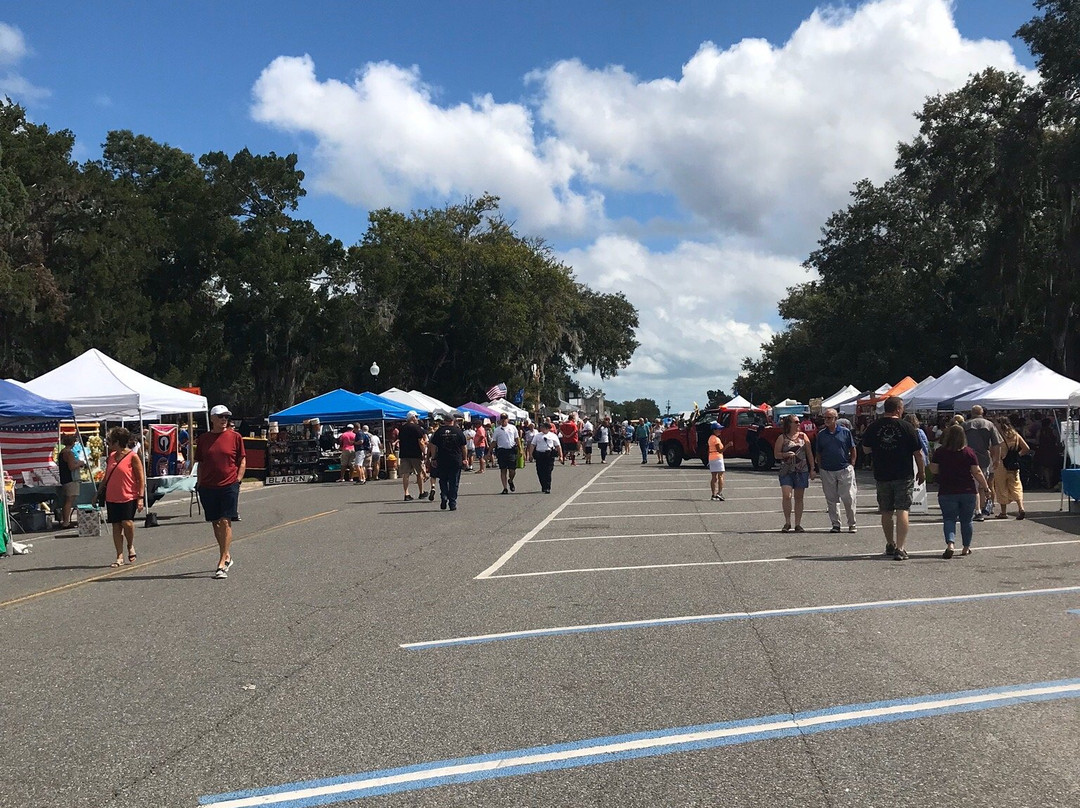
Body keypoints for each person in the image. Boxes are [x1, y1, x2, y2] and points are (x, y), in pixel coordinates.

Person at [861, 396, 924, 560]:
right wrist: (922, 472)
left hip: (882, 473)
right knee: (902, 509)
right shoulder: (907, 427)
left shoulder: (874, 426)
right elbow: (918, 453)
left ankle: (890, 543)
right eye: (902, 408)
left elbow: (866, 449)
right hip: (903, 473)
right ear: (898, 409)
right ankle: (901, 547)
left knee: (886, 511)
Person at [197, 405, 246, 579]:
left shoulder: (235, 437)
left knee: (225, 521)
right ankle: (226, 554)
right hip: (208, 486)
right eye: (220, 417)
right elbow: (201, 462)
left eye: (226, 417)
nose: (224, 420)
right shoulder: (203, 439)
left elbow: (242, 459)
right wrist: (199, 482)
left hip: (229, 485)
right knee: (216, 522)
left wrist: (238, 479)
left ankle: (222, 561)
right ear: (212, 418)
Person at [930, 424, 992, 558]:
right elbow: (977, 471)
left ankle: (950, 544)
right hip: (967, 490)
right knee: (967, 520)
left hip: (947, 490)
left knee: (949, 519)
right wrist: (986, 487)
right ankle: (966, 547)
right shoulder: (969, 452)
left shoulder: (940, 452)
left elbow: (934, 470)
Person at [98, 427, 145, 567]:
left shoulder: (132, 456)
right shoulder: (111, 457)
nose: (108, 444)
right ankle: (119, 555)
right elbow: (106, 477)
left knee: (127, 523)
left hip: (128, 495)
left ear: (117, 442)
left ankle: (130, 545)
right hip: (112, 496)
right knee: (116, 526)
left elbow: (140, 478)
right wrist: (98, 493)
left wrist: (140, 497)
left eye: (110, 441)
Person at [815, 408, 858, 533]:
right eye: (825, 418)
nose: (826, 420)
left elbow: (853, 448)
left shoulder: (845, 432)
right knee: (831, 499)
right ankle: (835, 524)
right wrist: (820, 467)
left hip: (844, 468)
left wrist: (852, 464)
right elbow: (818, 452)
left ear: (835, 419)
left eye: (829, 418)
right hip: (827, 470)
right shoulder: (821, 434)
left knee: (849, 497)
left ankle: (852, 523)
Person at [773, 414, 815, 532]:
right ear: (789, 424)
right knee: (787, 496)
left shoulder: (803, 436)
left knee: (799, 497)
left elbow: (809, 453)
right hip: (786, 470)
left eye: (798, 422)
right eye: (796, 422)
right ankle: (787, 522)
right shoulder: (782, 437)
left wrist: (812, 468)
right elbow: (776, 454)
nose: (798, 424)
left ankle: (798, 524)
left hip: (801, 470)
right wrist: (785, 455)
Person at [963, 405, 1002, 521]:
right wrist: (997, 459)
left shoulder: (965, 425)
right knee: (982, 484)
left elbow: (961, 442)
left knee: (971, 485)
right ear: (982, 413)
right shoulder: (989, 425)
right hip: (984, 457)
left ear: (971, 412)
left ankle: (976, 510)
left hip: (968, 457)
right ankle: (980, 508)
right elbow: (997, 443)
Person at [428, 411, 467, 511]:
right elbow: (464, 447)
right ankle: (452, 502)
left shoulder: (439, 432)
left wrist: (433, 458)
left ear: (444, 421)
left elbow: (432, 445)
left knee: (443, 480)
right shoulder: (458, 432)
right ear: (453, 421)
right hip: (455, 460)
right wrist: (465, 458)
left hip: (442, 460)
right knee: (454, 481)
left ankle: (444, 496)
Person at [993, 417, 1030, 519]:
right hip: (1014, 464)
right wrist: (1017, 455)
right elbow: (1026, 448)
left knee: (1001, 487)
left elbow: (993, 450)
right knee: (1016, 486)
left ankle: (1003, 512)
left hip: (1001, 463)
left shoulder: (997, 436)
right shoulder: (1016, 435)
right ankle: (1021, 508)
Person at [396, 411, 427, 501]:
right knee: (419, 473)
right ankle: (421, 492)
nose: (417, 419)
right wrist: (424, 452)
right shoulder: (417, 428)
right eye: (416, 417)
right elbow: (420, 442)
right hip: (415, 453)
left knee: (406, 474)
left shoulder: (402, 428)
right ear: (412, 417)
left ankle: (406, 493)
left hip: (404, 453)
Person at [57, 433, 83, 529]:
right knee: (69, 500)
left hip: (64, 479)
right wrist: (80, 463)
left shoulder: (62, 452)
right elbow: (71, 467)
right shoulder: (69, 453)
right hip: (71, 479)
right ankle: (66, 522)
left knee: (67, 500)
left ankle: (66, 520)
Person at [529, 419, 563, 493]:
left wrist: (561, 456)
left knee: (548, 471)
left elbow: (558, 446)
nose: (541, 428)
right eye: (541, 427)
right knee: (540, 471)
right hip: (540, 455)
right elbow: (532, 445)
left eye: (543, 427)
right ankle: (543, 485)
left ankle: (547, 487)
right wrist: (530, 454)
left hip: (549, 455)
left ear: (548, 428)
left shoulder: (553, 436)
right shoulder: (537, 436)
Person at [493, 413, 520, 494]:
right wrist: (489, 451)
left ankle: (510, 480)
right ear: (500, 419)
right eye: (502, 418)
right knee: (503, 470)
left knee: (512, 470)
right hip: (502, 451)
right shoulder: (497, 430)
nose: (503, 420)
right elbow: (494, 441)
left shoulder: (512, 428)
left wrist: (521, 449)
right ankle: (505, 488)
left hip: (511, 450)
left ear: (508, 419)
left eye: (505, 418)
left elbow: (517, 439)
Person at [707, 421, 725, 501]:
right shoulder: (716, 439)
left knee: (714, 477)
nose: (720, 430)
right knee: (720, 476)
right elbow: (720, 450)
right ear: (714, 430)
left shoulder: (710, 438)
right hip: (718, 457)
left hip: (711, 457)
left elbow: (709, 449)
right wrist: (728, 445)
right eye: (718, 429)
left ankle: (713, 494)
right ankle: (719, 493)